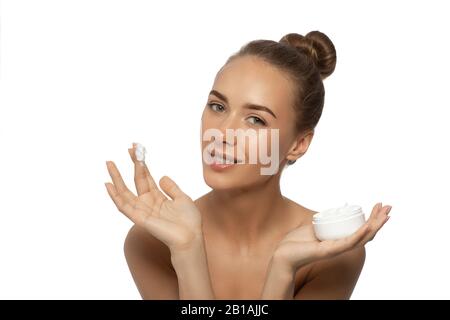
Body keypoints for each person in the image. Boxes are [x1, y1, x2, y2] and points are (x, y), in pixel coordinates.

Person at [104, 30, 392, 299]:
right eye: (218, 107)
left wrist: (283, 269)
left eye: (256, 119)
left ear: (297, 145)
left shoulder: (332, 252)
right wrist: (187, 250)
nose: (223, 133)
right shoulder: (151, 243)